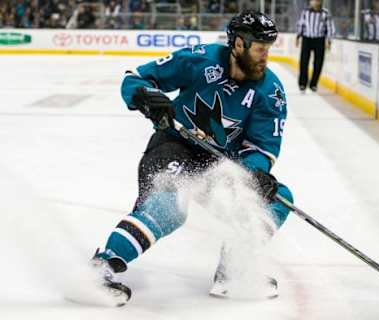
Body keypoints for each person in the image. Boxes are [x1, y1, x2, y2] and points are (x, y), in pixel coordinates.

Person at [91, 10, 294, 305]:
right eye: (260, 48)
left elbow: (262, 146)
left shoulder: (270, 92)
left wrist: (255, 173)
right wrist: (146, 98)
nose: (265, 56)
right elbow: (136, 78)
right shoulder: (202, 59)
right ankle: (100, 268)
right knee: (169, 206)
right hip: (174, 147)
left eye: (268, 49)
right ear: (238, 44)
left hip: (219, 166)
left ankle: (232, 271)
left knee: (277, 199)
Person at [296, 0, 334, 93]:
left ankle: (313, 84)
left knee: (318, 63)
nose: (315, 2)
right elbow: (301, 24)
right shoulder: (305, 12)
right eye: (313, 0)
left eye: (317, 0)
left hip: (319, 39)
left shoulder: (325, 13)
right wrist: (298, 36)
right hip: (307, 39)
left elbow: (330, 27)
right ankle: (302, 84)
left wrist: (329, 40)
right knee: (304, 62)